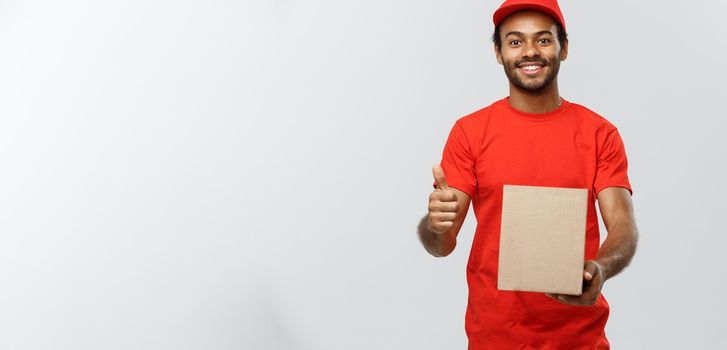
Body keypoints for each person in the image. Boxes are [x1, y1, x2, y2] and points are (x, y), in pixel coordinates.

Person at [416, 0, 639, 348]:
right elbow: (441, 245)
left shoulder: (600, 133)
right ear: (498, 51)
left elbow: (623, 225)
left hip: (580, 338)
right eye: (515, 41)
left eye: (544, 40)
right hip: (494, 337)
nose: (530, 52)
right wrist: (434, 224)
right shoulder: (470, 132)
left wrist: (602, 268)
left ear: (564, 48)